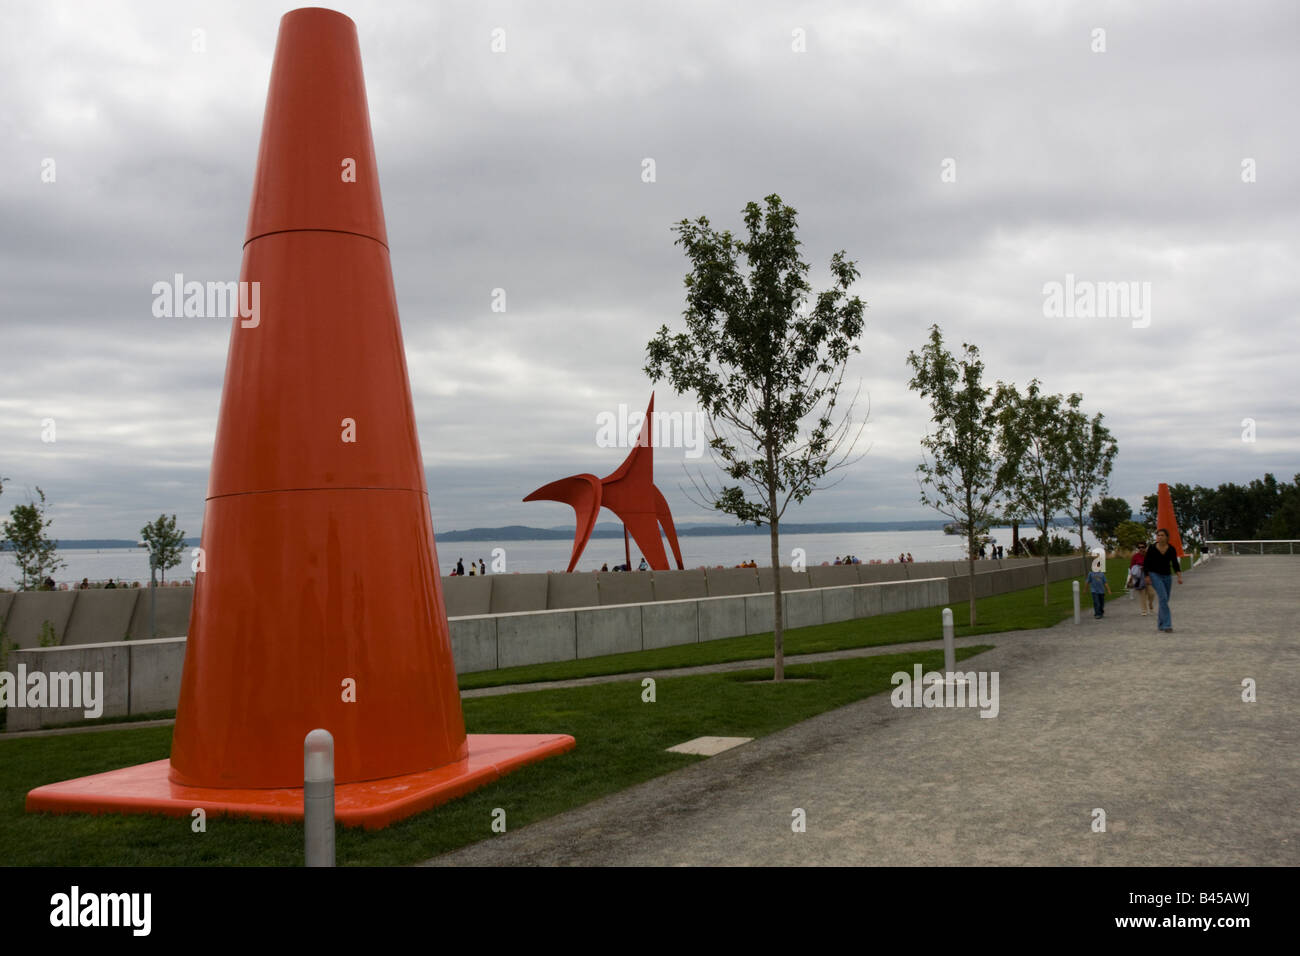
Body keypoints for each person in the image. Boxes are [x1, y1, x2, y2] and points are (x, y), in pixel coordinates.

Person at [1144, 529, 1183, 633]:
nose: (1159, 537)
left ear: (1166, 537)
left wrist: (1179, 576)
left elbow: (1175, 563)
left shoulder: (1171, 549)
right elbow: (1146, 563)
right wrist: (1146, 576)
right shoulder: (1152, 548)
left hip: (1167, 576)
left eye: (1162, 535)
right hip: (1154, 575)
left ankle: (1160, 624)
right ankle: (1167, 625)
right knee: (1163, 597)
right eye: (1158, 535)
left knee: (1164, 600)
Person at [1127, 542, 1152, 616]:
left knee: (1151, 593)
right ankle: (1144, 610)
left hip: (1149, 576)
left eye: (1143, 547)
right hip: (1139, 577)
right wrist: (1131, 578)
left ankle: (1150, 603)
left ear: (1145, 547)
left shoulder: (1149, 555)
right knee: (1142, 595)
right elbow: (1131, 567)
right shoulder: (1135, 556)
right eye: (1139, 547)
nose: (1141, 548)